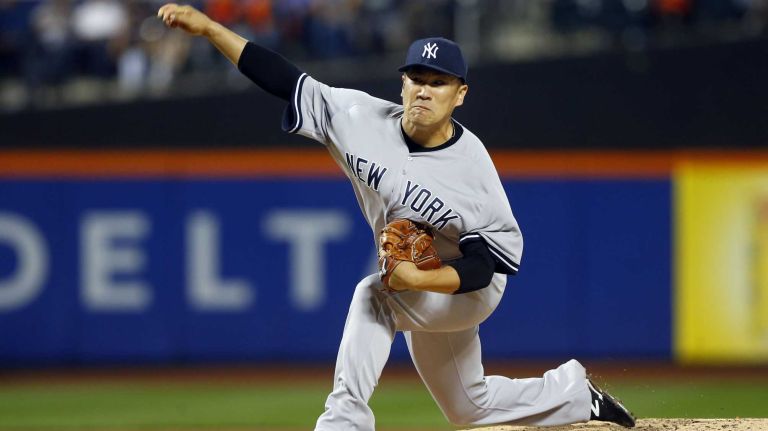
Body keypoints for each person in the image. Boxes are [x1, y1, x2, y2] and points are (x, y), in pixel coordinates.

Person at [157, 4, 637, 430]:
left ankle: (343, 422)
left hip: (468, 289)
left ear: (460, 94)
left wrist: (417, 278)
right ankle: (573, 394)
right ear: (402, 82)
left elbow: (481, 267)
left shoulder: (472, 170)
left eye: (438, 83)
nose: (424, 91)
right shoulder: (359, 117)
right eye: (417, 79)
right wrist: (210, 28)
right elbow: (284, 78)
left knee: (375, 294)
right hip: (418, 279)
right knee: (468, 407)